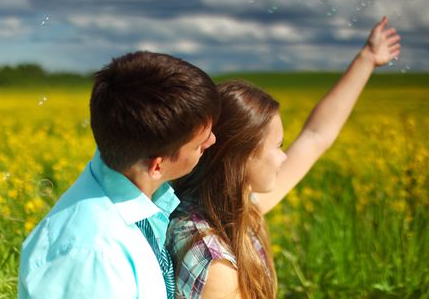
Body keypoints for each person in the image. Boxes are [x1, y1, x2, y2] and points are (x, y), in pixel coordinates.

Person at [166, 17, 401, 299]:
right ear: (241, 160)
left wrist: (368, 58)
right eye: (277, 146)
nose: (283, 158)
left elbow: (315, 136)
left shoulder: (232, 209)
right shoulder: (215, 263)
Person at [18, 52, 220, 298]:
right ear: (156, 166)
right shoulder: (92, 256)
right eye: (199, 143)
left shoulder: (135, 197)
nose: (212, 140)